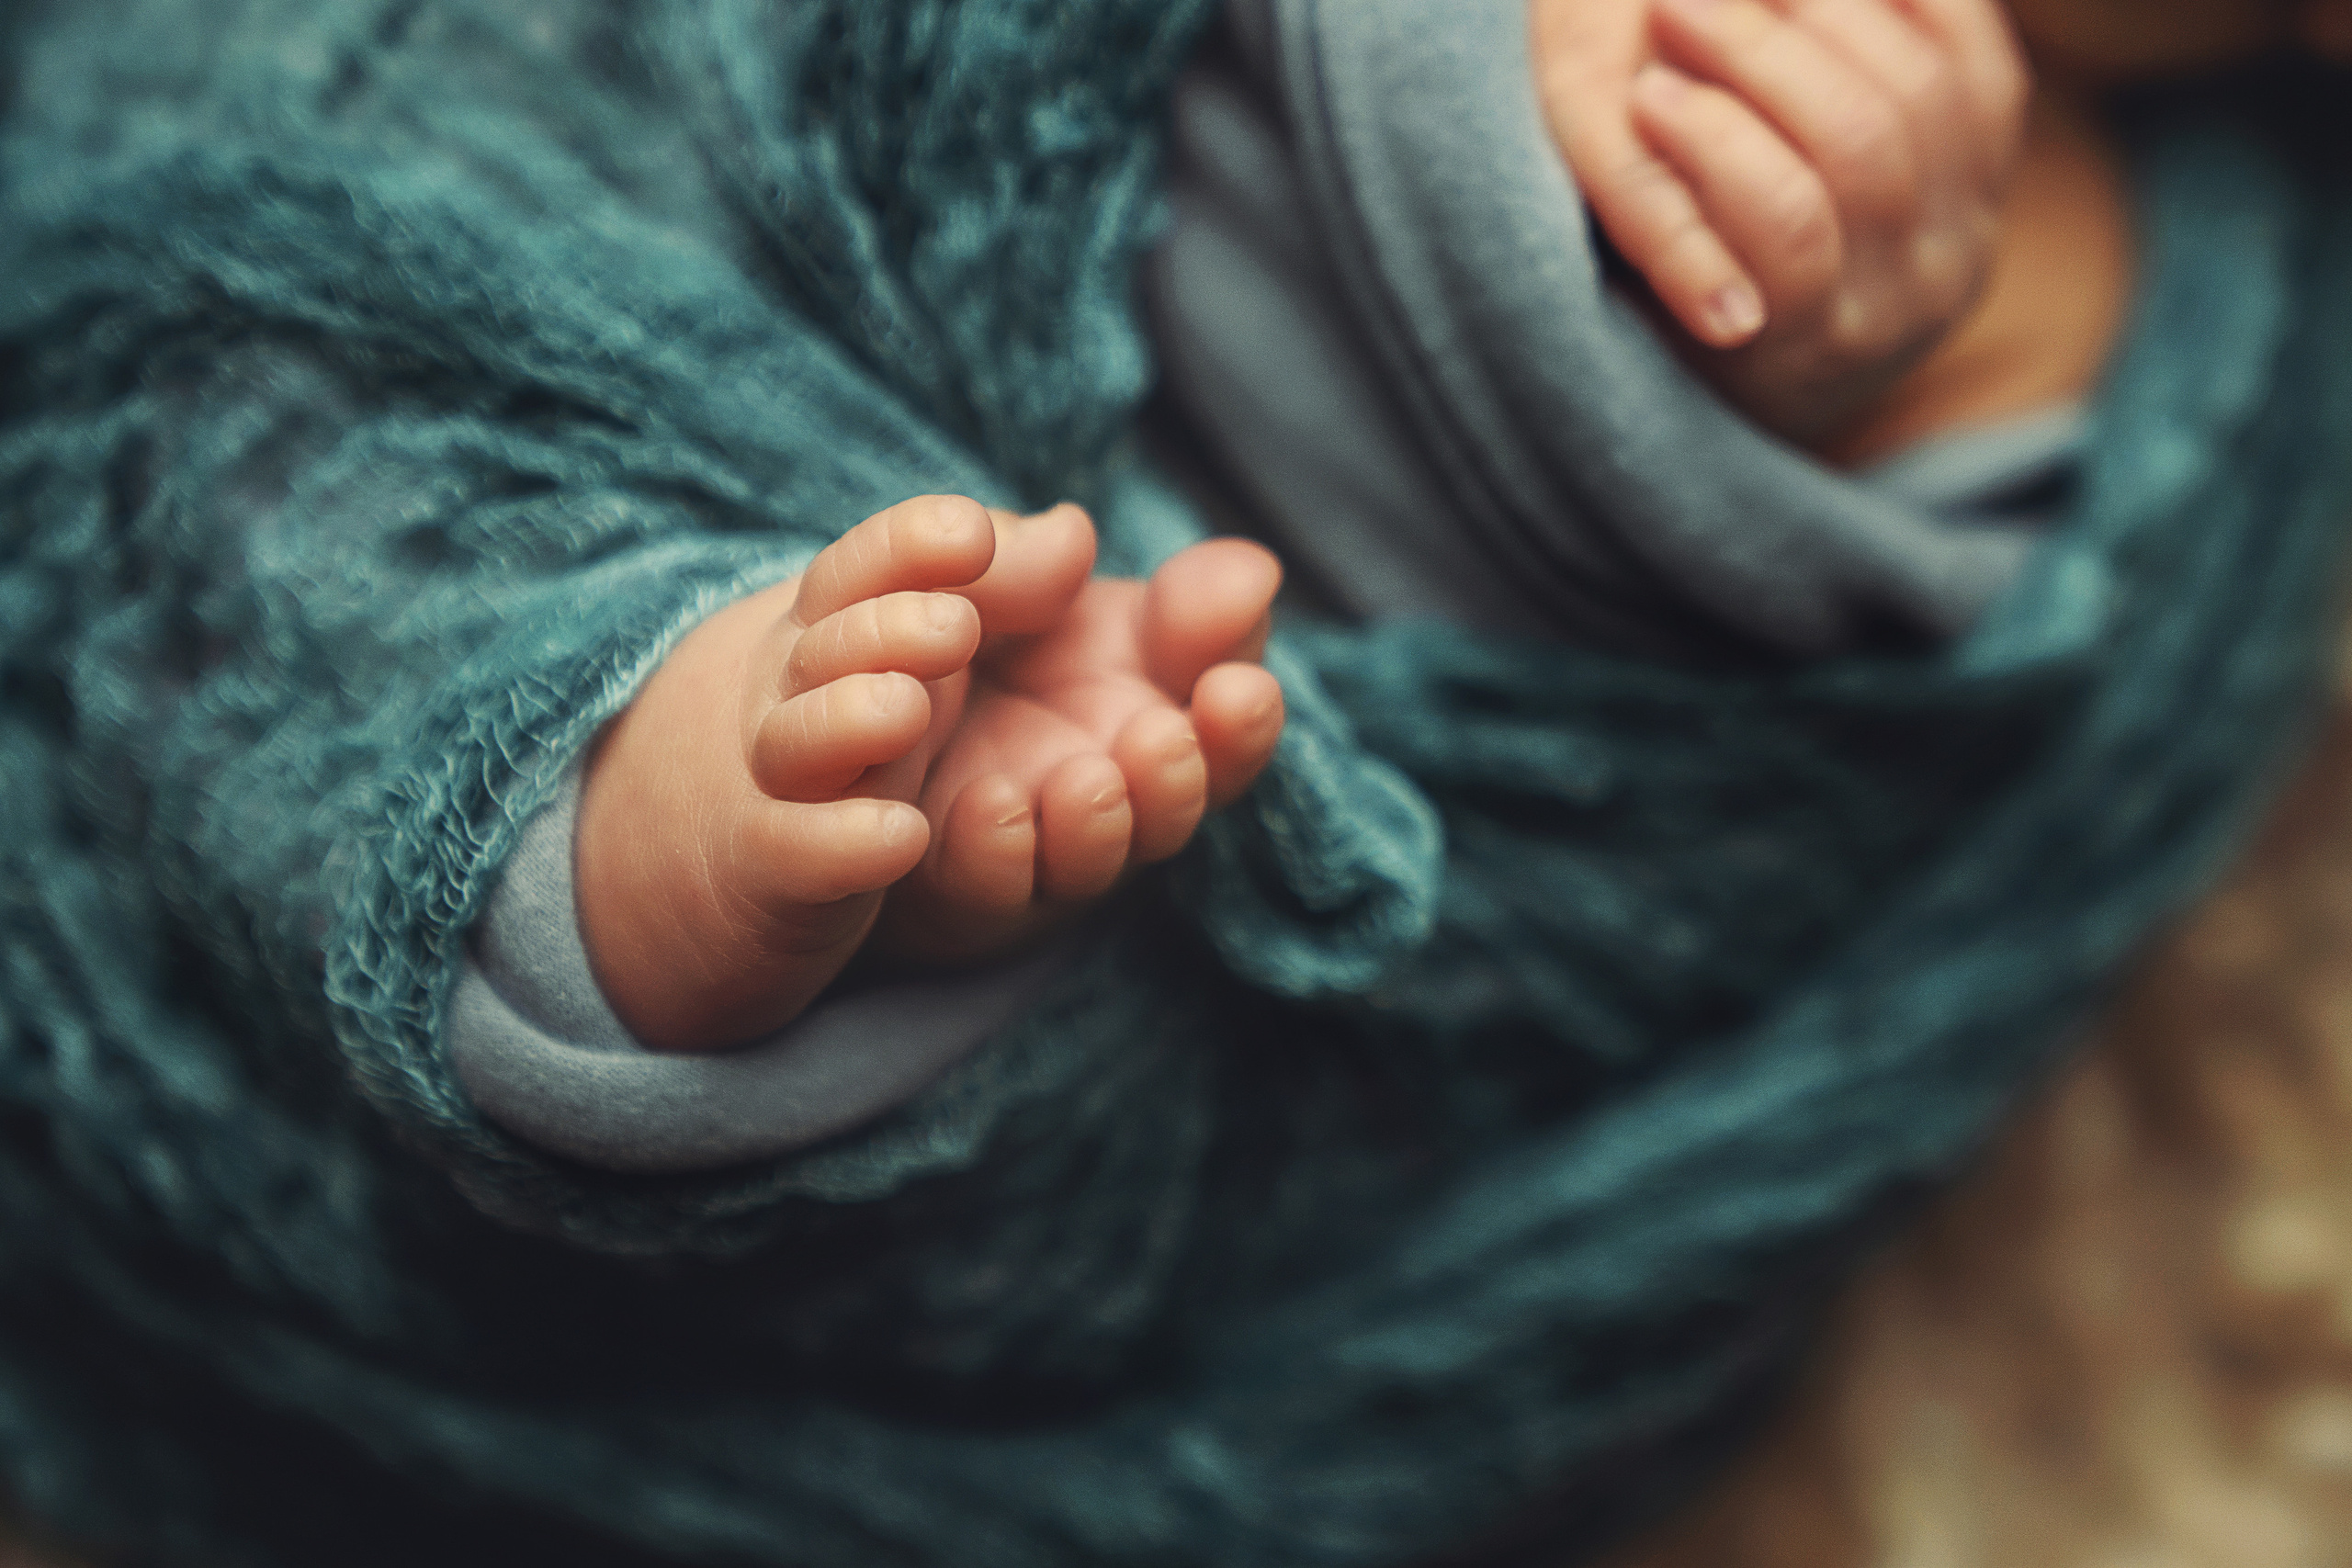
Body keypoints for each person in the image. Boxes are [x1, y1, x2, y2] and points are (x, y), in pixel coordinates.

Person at [2, 2, 2349, 1565]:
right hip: (673, 191)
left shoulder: (2093, 273)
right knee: (287, 498)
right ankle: (600, 809)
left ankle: (681, 882)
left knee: (1007, 976)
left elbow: (1839, 762)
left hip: (1216, 792)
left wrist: (1828, 359)